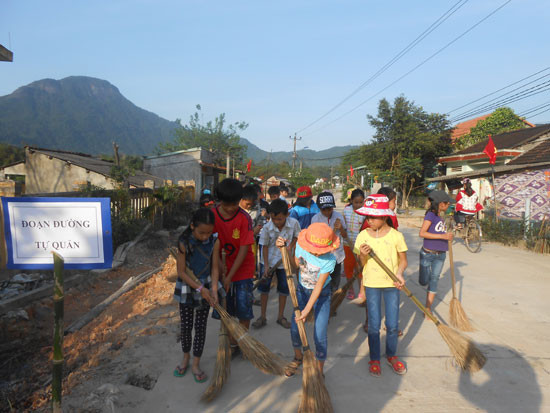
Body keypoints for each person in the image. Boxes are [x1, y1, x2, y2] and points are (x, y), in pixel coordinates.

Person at [354, 194, 408, 377]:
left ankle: (391, 355)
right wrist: (362, 254)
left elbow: (403, 261)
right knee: (374, 325)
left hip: (392, 284)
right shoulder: (362, 236)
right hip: (371, 284)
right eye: (367, 217)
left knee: (392, 324)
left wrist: (399, 274)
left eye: (373, 217)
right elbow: (361, 264)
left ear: (385, 216)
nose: (369, 220)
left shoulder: (396, 236)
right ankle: (374, 358)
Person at [281, 222, 338, 378]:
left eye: (321, 251)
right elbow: (295, 265)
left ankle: (319, 368)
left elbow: (319, 286)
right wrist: (290, 255)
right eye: (315, 251)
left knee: (319, 334)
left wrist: (306, 311)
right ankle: (298, 356)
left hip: (322, 296)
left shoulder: (330, 260)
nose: (317, 254)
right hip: (301, 292)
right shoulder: (301, 246)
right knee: (295, 328)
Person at [173, 208, 221, 382]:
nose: (205, 236)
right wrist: (201, 288)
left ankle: (196, 363)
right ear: (192, 226)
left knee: (200, 327)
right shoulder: (183, 242)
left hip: (207, 287)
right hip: (188, 287)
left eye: (209, 232)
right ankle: (185, 357)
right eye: (201, 232)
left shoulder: (214, 242)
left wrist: (214, 289)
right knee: (186, 326)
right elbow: (181, 272)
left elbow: (215, 267)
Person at [212, 178, 256, 357]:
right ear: (219, 200)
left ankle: (242, 341)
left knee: (244, 310)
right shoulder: (212, 216)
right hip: (220, 267)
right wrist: (222, 270)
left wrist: (230, 275)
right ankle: (231, 343)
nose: (231, 208)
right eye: (226, 204)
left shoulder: (244, 218)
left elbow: (244, 250)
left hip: (242, 269)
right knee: (226, 310)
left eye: (234, 204)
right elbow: (211, 245)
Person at [252, 199, 301, 329]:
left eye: (279, 219)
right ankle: (262, 316)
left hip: (285, 262)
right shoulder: (268, 227)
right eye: (273, 218)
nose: (276, 222)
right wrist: (266, 266)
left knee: (284, 289)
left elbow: (297, 236)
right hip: (269, 261)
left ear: (287, 215)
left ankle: (281, 316)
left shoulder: (294, 223)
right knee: (264, 289)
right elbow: (265, 247)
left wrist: (290, 246)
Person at [419, 190, 453, 317]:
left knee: (434, 279)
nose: (449, 204)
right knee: (424, 281)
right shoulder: (430, 215)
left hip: (441, 255)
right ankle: (424, 281)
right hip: (427, 254)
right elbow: (422, 233)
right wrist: (442, 236)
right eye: (447, 203)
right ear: (440, 204)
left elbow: (442, 233)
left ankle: (428, 308)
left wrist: (448, 237)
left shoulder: (441, 215)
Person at [311, 191, 347, 294]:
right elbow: (313, 240)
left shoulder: (338, 217)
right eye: (324, 209)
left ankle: (332, 306)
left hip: (336, 256)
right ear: (319, 208)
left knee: (335, 283)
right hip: (321, 258)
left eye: (329, 209)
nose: (327, 212)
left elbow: (345, 235)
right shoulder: (315, 219)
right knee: (322, 282)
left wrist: (340, 228)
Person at [342, 188, 366, 300]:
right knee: (348, 268)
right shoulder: (346, 210)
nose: (358, 205)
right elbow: (343, 225)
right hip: (347, 244)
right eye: (356, 202)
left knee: (360, 269)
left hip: (360, 246)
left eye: (361, 202)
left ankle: (361, 290)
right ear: (351, 201)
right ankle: (350, 289)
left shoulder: (365, 212)